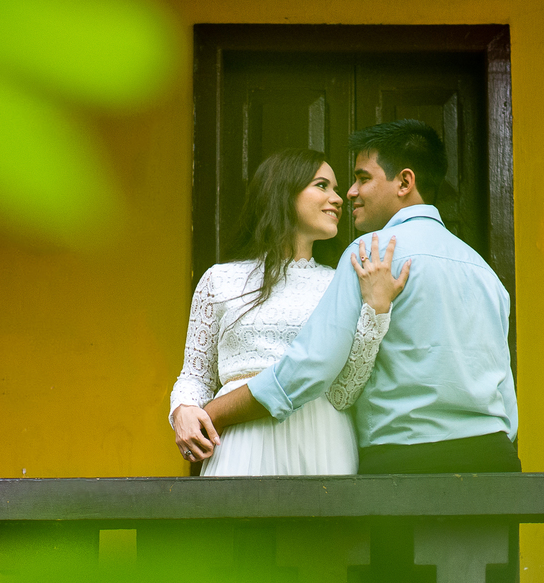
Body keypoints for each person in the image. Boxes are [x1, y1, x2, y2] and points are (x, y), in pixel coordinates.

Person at [199, 120, 520, 474]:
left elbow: (311, 367)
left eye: (362, 178)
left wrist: (211, 412)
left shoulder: (370, 253)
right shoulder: (484, 273)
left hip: (405, 460)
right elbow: (506, 392)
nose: (350, 192)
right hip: (493, 457)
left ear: (404, 182)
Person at [170, 148, 409, 475]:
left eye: (337, 189)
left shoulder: (341, 282)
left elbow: (346, 390)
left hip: (322, 436)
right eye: (322, 186)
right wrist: (182, 409)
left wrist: (376, 311)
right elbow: (195, 375)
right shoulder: (219, 280)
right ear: (282, 192)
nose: (339, 199)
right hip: (241, 439)